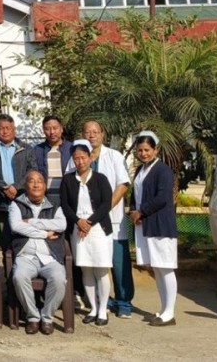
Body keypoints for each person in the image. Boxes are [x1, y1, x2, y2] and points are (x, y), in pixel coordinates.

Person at [73, 119, 134, 319]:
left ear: (102, 134)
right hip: (86, 223)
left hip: (111, 220)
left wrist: (104, 210)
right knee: (93, 262)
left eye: (95, 131)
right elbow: (70, 184)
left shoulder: (114, 156)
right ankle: (101, 302)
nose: (91, 135)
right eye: (87, 132)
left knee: (118, 262)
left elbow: (123, 185)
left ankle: (124, 302)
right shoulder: (76, 156)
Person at [59, 139, 114, 326]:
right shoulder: (67, 180)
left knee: (101, 268)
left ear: (90, 158)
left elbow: (106, 204)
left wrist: (89, 222)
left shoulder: (101, 179)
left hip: (98, 228)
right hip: (77, 228)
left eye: (83, 157)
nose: (80, 161)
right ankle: (93, 307)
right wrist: (78, 222)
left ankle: (103, 309)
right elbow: (65, 205)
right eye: (76, 158)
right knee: (86, 269)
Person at [129, 131, 179, 327]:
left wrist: (141, 212)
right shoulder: (141, 170)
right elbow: (136, 195)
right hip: (146, 224)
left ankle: (170, 312)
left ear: (155, 150)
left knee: (165, 268)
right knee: (156, 269)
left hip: (160, 225)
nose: (143, 153)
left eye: (147, 150)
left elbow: (163, 197)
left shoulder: (163, 171)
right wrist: (133, 210)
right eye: (140, 150)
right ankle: (163, 308)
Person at [9, 170, 67, 335]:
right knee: (19, 277)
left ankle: (47, 317)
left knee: (59, 279)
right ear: (25, 185)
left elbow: (61, 225)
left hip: (50, 257)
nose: (36, 184)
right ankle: (33, 317)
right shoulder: (16, 204)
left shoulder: (55, 205)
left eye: (39, 181)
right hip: (25, 257)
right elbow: (16, 226)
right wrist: (45, 233)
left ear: (44, 186)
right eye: (31, 181)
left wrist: (33, 222)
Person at [0, 114, 37, 248]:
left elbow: (32, 170)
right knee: (4, 236)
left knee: (23, 235)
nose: (5, 131)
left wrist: (16, 187)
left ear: (14, 129)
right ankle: (6, 264)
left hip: (22, 198)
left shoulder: (26, 149)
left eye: (8, 128)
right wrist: (4, 187)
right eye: (1, 128)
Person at [33, 115, 72, 206]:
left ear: (61, 129)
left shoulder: (71, 148)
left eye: (55, 128)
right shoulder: (37, 150)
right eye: (47, 129)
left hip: (68, 198)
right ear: (43, 131)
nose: (52, 132)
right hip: (46, 198)